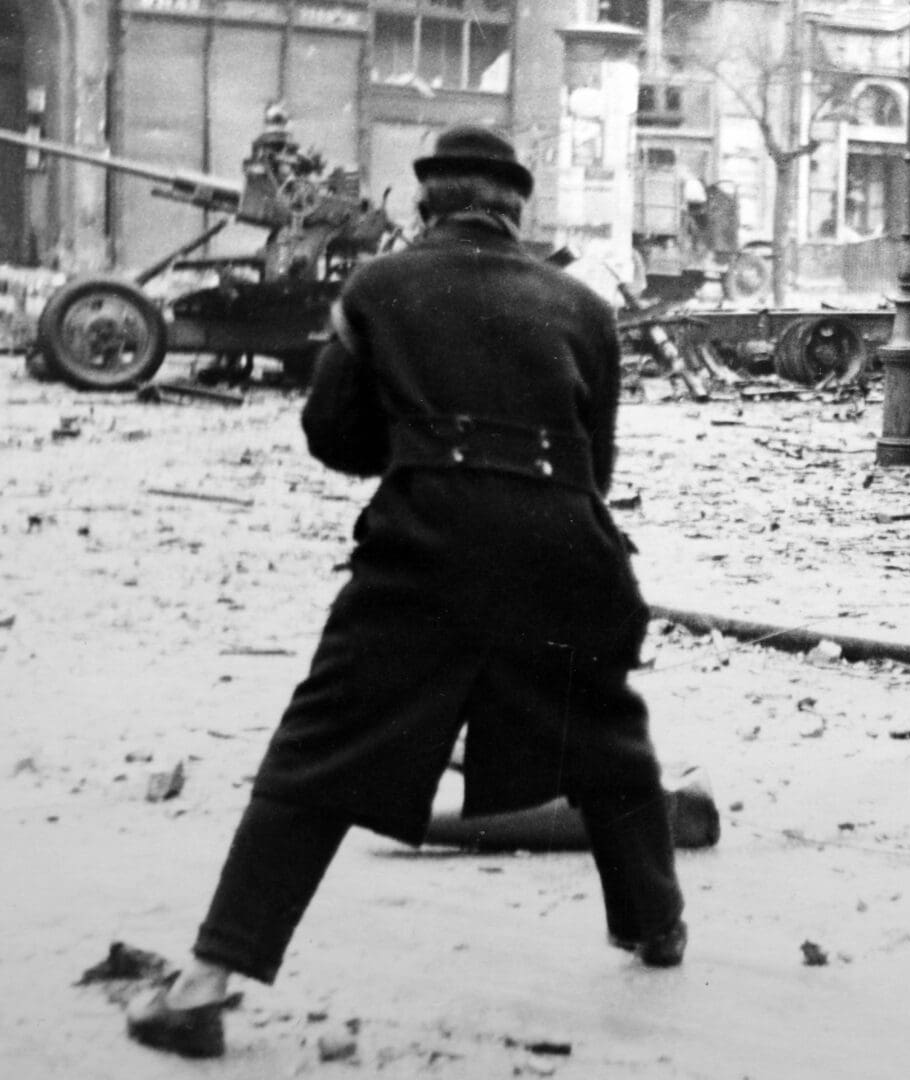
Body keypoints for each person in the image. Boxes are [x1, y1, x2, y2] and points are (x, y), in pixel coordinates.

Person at [126, 125, 688, 1060]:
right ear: (519, 212)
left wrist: (425, 446)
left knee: (319, 752)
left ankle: (203, 985)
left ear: (426, 207)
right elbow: (598, 457)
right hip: (565, 546)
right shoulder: (584, 306)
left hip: (427, 543)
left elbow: (333, 434)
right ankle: (657, 927)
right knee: (604, 739)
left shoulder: (379, 289)